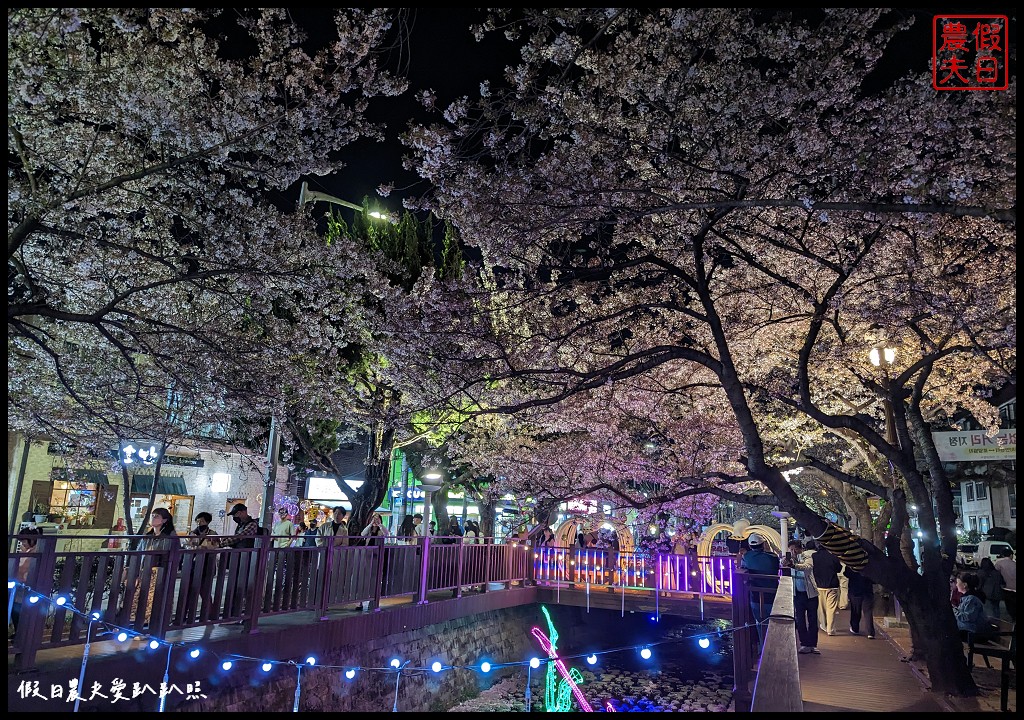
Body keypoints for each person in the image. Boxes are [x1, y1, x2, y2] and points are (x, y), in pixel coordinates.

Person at [134, 507, 180, 627]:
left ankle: (156, 625)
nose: (153, 518)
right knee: (140, 599)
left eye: (156, 516)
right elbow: (138, 554)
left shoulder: (170, 537)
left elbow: (174, 556)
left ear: (164, 520)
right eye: (152, 516)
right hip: (145, 572)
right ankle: (140, 624)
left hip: (160, 573)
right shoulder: (147, 537)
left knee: (157, 600)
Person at [740, 532, 780, 654]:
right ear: (763, 544)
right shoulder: (773, 557)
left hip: (756, 595)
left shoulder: (746, 557)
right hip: (773, 594)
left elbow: (743, 567)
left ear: (750, 545)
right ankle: (775, 647)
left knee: (760, 622)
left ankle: (764, 649)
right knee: (774, 622)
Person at [786, 539, 819, 654]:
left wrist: (793, 564)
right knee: (800, 619)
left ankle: (813, 644)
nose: (792, 551)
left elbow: (807, 567)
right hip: (798, 594)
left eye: (794, 549)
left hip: (810, 593)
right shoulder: (790, 558)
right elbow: (782, 563)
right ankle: (804, 643)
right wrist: (786, 562)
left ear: (799, 548)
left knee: (813, 619)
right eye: (790, 549)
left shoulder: (806, 556)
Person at [185, 511, 218, 622]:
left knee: (205, 591)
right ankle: (186, 615)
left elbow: (214, 547)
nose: (199, 523)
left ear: (207, 522)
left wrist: (203, 547)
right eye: (198, 521)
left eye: (202, 521)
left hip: (207, 565)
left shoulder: (212, 534)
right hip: (193, 565)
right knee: (188, 591)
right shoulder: (192, 533)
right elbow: (187, 546)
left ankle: (209, 614)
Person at [808, 539, 841, 636]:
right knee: (831, 608)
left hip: (819, 585)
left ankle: (824, 625)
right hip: (832, 585)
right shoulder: (834, 556)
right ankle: (830, 629)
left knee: (821, 608)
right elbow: (839, 569)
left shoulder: (814, 556)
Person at [953, 572, 994, 640]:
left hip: (974, 633)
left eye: (957, 582)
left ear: (964, 584)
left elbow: (969, 617)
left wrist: (954, 611)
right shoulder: (966, 598)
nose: (956, 585)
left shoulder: (971, 599)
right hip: (969, 630)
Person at [844, 564, 876, 639]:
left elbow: (847, 573)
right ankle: (870, 632)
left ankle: (855, 628)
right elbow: (874, 577)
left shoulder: (851, 562)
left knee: (855, 610)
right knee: (868, 612)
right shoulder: (869, 563)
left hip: (855, 590)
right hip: (867, 590)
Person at [993, 546, 1016, 621]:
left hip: (1006, 588)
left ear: (1003, 555)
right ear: (1011, 555)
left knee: (1009, 605)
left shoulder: (998, 564)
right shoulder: (1014, 564)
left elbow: (996, 575)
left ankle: (1013, 618)